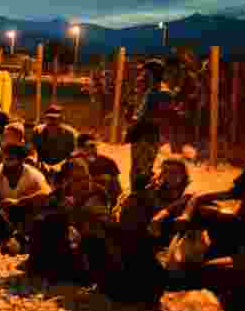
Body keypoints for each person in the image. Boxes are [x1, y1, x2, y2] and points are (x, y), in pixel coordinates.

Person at [126, 59, 173, 192]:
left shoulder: (163, 93)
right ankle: (134, 195)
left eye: (145, 73)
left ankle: (141, 197)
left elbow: (163, 118)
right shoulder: (149, 90)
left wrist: (140, 120)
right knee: (136, 168)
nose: (142, 75)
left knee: (144, 171)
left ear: (153, 74)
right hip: (140, 134)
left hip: (149, 136)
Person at [73, 133, 122, 209]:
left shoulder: (108, 162)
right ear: (80, 148)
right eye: (90, 146)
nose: (93, 149)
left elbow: (117, 189)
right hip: (80, 206)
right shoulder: (72, 163)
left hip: (105, 205)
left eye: (94, 145)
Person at [31, 105, 78, 178]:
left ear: (61, 119)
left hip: (64, 168)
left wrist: (60, 165)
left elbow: (74, 154)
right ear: (45, 119)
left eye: (55, 119)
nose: (52, 121)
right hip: (42, 168)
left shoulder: (70, 134)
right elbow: (34, 151)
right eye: (49, 118)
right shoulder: (37, 131)